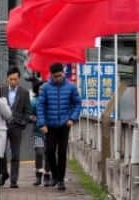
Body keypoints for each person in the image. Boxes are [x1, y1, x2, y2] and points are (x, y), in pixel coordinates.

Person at [36, 62, 81, 191]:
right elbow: (40, 106)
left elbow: (77, 104)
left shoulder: (71, 87)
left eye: (60, 75)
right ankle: (55, 175)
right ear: (51, 75)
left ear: (63, 73)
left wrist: (72, 118)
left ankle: (61, 180)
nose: (58, 78)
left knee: (62, 152)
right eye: (55, 76)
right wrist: (42, 123)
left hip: (64, 125)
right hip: (50, 126)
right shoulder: (45, 88)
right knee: (49, 151)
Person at [0, 66, 33, 189]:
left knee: (15, 154)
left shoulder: (24, 93)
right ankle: (4, 174)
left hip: (17, 126)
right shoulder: (1, 90)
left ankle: (14, 180)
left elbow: (28, 110)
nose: (13, 82)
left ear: (19, 79)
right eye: (11, 79)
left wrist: (23, 123)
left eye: (15, 79)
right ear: (7, 78)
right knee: (1, 152)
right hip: (3, 125)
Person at [0, 94, 12, 187]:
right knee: (0, 155)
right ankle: (3, 173)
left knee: (0, 155)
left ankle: (2, 173)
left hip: (0, 131)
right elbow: (8, 115)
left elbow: (8, 115)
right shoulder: (0, 101)